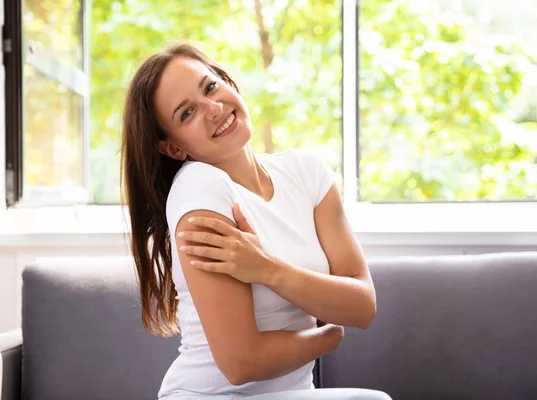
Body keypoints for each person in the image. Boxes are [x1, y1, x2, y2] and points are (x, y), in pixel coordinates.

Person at [121, 42, 391, 400]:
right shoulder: (199, 187)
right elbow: (241, 363)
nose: (214, 109)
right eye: (187, 113)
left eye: (210, 87)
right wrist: (329, 335)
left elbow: (362, 305)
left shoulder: (306, 173)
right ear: (173, 148)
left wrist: (268, 269)